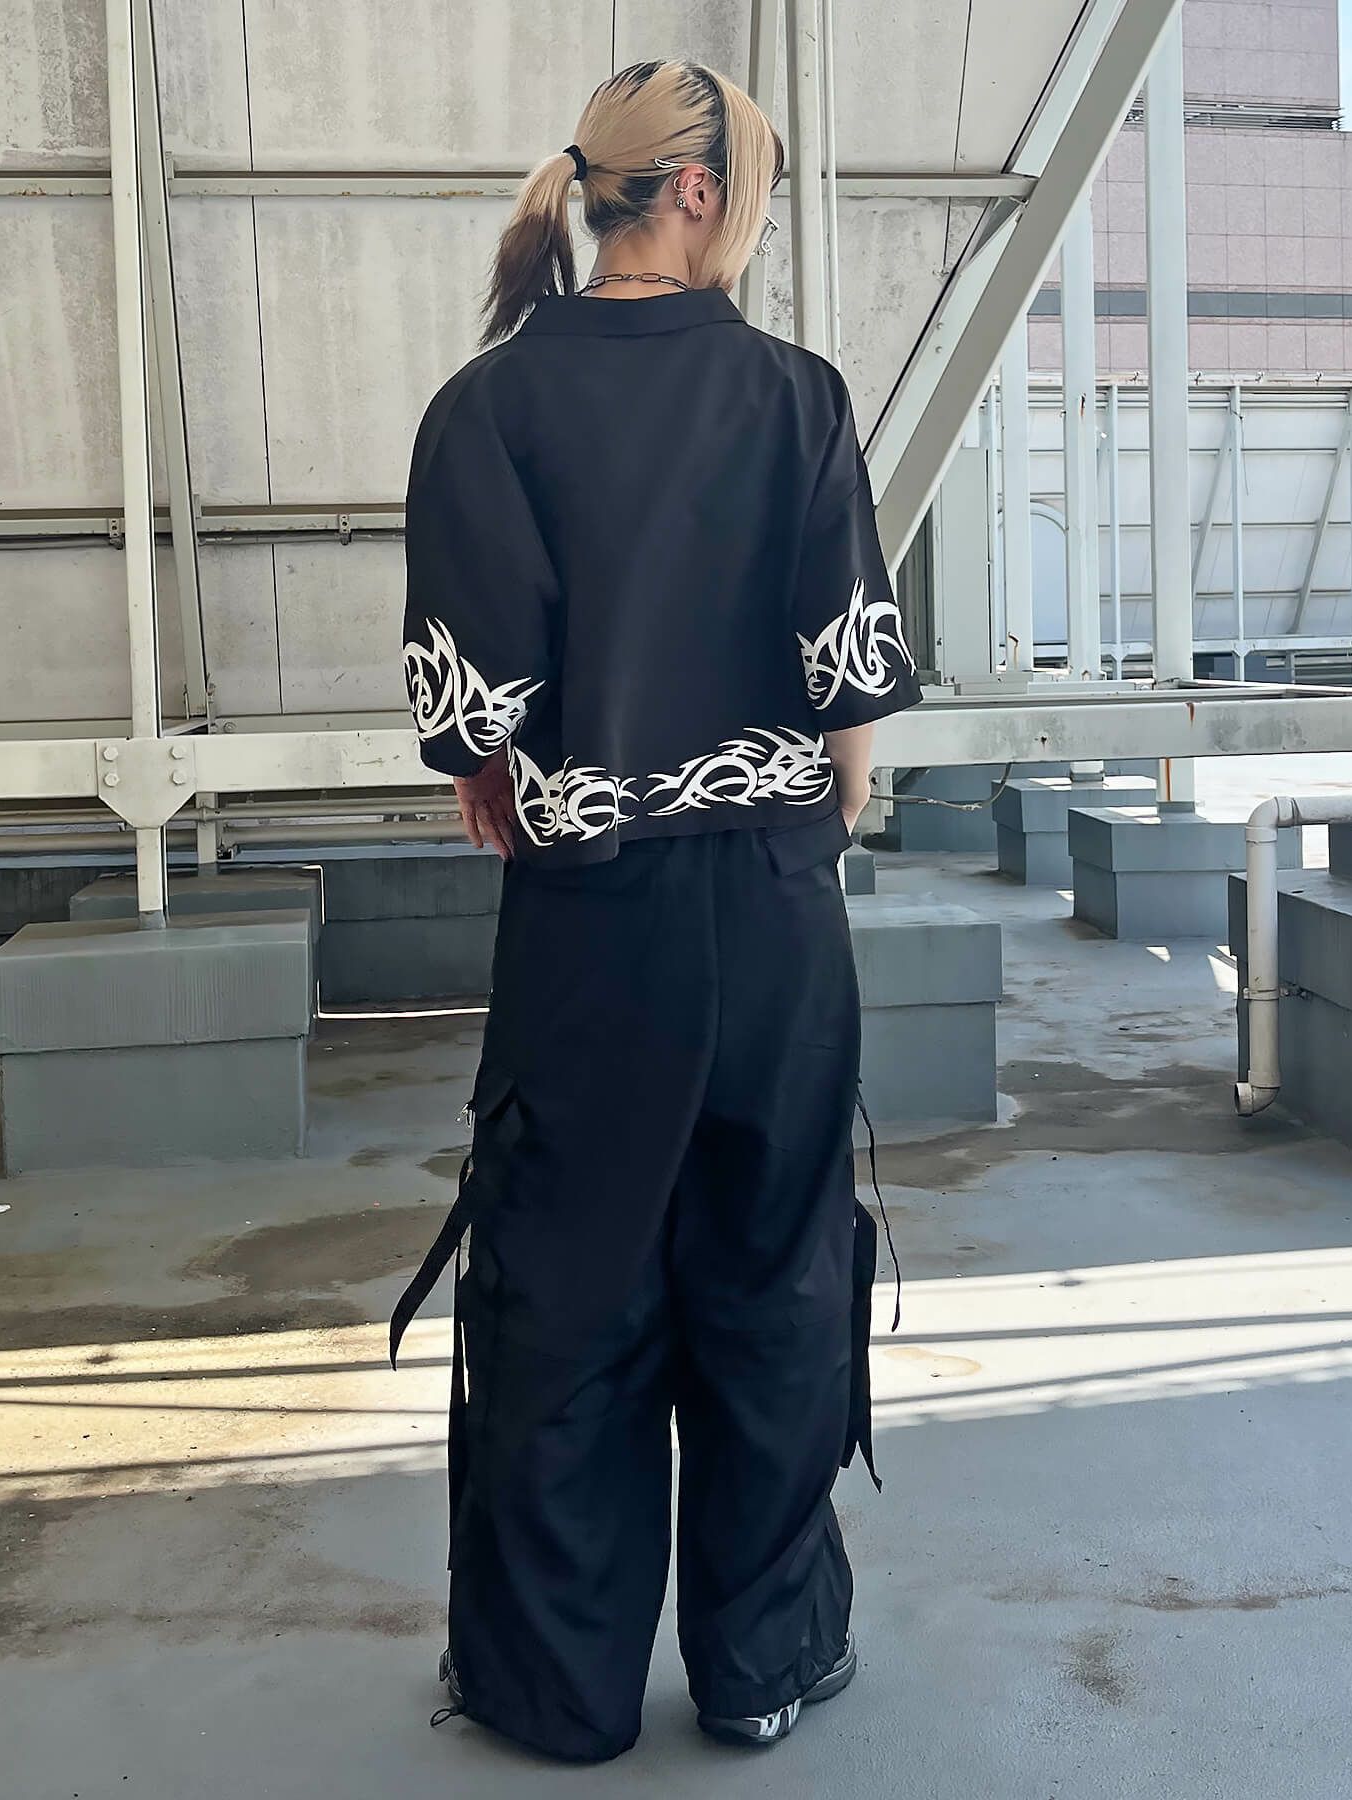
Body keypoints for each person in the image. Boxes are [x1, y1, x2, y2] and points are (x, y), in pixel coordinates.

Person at [390, 57, 920, 1764]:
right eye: (748, 180)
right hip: (770, 913)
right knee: (774, 1269)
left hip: (587, 923)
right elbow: (851, 693)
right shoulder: (794, 396)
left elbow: (473, 721)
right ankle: (763, 1662)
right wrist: (802, 811)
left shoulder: (487, 407)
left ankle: (559, 1688)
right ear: (694, 192)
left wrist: (517, 776)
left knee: (569, 1285)